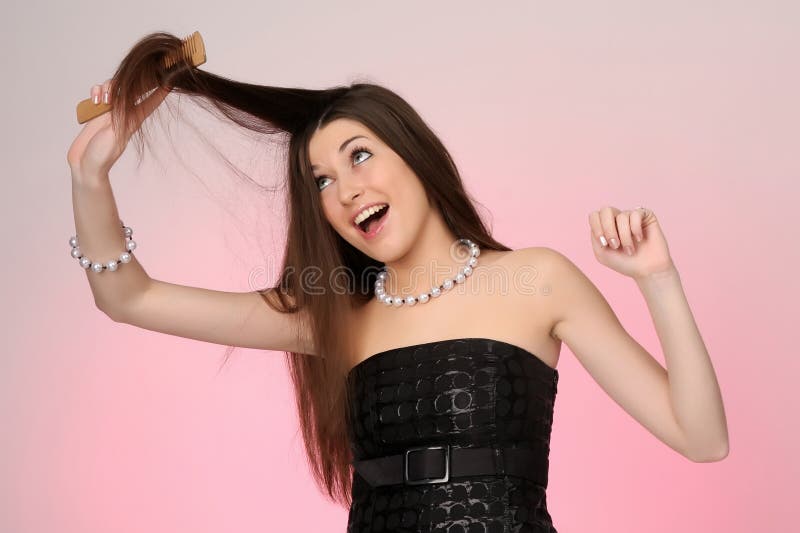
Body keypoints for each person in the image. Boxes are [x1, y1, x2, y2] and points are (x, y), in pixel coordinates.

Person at [66, 32, 729, 533]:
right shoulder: (335, 314)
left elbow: (702, 438)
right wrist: (89, 176)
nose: (345, 190)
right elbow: (128, 296)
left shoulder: (537, 280)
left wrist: (658, 279)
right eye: (322, 181)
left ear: (412, 152)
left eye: (359, 155)